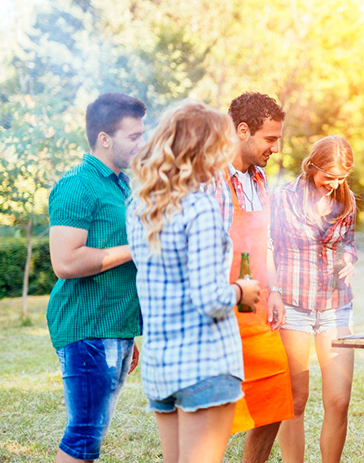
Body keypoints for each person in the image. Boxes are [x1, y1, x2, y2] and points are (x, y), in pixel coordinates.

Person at [127, 102, 260, 463]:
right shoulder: (199, 208)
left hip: (161, 366)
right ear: (206, 150)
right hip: (205, 364)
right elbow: (210, 298)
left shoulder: (140, 209)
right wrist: (242, 291)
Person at [47, 92, 146, 463]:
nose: (142, 143)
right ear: (104, 138)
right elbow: (66, 262)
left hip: (112, 329)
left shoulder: (119, 184)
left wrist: (126, 333)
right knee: (84, 432)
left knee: (94, 430)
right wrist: (138, 247)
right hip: (87, 328)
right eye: (133, 136)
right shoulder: (78, 184)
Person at [206, 92, 293, 463]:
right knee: (214, 411)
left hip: (257, 309)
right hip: (221, 309)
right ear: (242, 131)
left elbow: (267, 243)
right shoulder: (209, 178)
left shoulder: (259, 180)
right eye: (270, 139)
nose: (275, 147)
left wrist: (273, 290)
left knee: (275, 398)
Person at [274, 136, 358, 463]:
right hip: (294, 304)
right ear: (312, 166)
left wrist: (349, 259)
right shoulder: (283, 199)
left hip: (336, 307)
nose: (333, 184)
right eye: (329, 176)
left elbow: (348, 243)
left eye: (340, 178)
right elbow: (270, 246)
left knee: (338, 399)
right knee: (295, 400)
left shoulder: (346, 201)